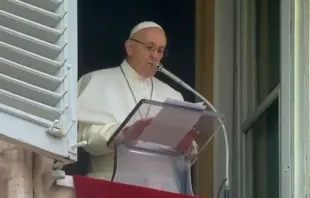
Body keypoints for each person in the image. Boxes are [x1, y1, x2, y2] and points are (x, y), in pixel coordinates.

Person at [77, 21, 197, 193]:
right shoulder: (97, 81)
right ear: (130, 47)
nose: (155, 55)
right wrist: (124, 133)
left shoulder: (173, 95)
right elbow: (83, 138)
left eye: (160, 50)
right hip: (112, 188)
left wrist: (186, 146)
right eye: (150, 47)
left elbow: (183, 162)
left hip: (163, 190)